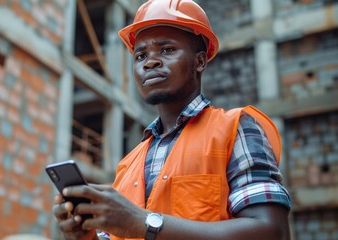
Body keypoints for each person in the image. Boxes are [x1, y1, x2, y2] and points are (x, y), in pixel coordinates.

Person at [53, 0, 291, 239]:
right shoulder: (128, 164)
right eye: (140, 55)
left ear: (200, 61)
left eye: (166, 50)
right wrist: (86, 236)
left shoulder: (235, 129)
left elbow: (272, 231)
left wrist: (144, 222)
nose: (150, 62)